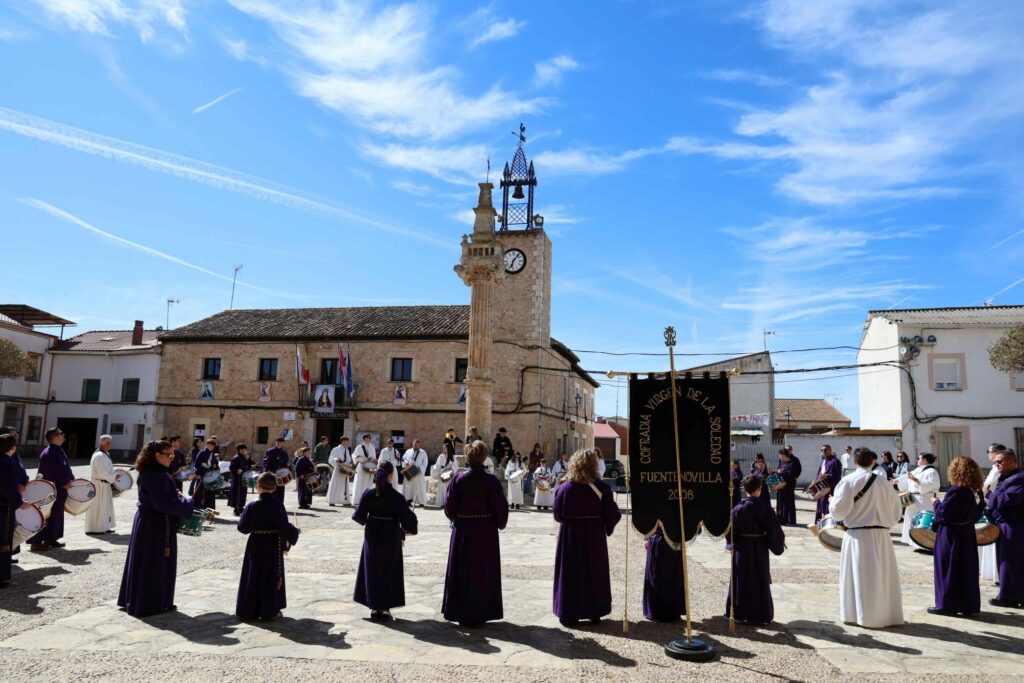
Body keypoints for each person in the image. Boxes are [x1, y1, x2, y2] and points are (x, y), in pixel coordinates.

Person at [118, 440, 195, 616]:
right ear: (156, 456)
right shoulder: (157, 475)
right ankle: (150, 603)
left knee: (147, 562)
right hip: (155, 524)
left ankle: (147, 599)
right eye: (168, 455)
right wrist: (187, 503)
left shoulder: (154, 472)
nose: (171, 458)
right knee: (153, 563)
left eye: (173, 455)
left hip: (150, 521)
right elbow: (163, 503)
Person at [830, 448, 903, 628]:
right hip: (882, 536)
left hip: (858, 535)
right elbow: (896, 513)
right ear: (873, 461)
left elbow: (838, 513)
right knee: (882, 576)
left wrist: (832, 502)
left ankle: (859, 615)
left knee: (860, 577)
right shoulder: (885, 483)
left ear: (854, 462)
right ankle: (886, 616)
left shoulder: (847, 481)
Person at [442, 440, 509, 627]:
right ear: (484, 457)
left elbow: (449, 509)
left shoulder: (458, 479)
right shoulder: (491, 481)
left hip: (463, 530)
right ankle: (483, 611)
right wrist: (499, 523)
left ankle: (460, 610)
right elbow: (500, 510)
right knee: (483, 570)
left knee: (462, 570)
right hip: (485, 532)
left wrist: (458, 517)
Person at [552, 449, 621, 627]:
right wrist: (606, 525)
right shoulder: (602, 488)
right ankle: (594, 612)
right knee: (593, 572)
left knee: (571, 573)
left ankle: (570, 613)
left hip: (570, 536)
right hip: (594, 536)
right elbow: (613, 513)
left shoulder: (565, 487)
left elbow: (558, 515)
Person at [352, 462, 419, 621]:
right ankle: (384, 607)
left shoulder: (368, 493)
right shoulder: (397, 497)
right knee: (388, 569)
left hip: (373, 534)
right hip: (390, 535)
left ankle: (374, 606)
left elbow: (359, 517)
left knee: (372, 568)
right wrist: (412, 520)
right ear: (391, 475)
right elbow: (409, 522)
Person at [236, 472, 300, 621]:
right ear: (275, 488)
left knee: (253, 575)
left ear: (258, 487)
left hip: (255, 544)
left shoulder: (251, 505)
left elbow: (242, 528)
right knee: (270, 576)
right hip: (272, 545)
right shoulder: (278, 505)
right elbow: (284, 528)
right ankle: (270, 611)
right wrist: (295, 531)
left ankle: (248, 611)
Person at [929, 456, 985, 616]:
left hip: (951, 534)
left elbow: (943, 515)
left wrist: (935, 502)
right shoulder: (974, 490)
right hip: (966, 533)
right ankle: (967, 605)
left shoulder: (957, 490)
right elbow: (977, 513)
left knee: (947, 568)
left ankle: (946, 604)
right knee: (965, 569)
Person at [727, 475, 786, 625]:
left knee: (741, 578)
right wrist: (777, 543)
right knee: (760, 578)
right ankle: (760, 615)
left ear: (744, 489)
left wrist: (731, 543)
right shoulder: (766, 508)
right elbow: (773, 530)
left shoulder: (738, 509)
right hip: (759, 546)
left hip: (742, 547)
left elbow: (731, 532)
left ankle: (739, 614)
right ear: (760, 489)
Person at [987, 448, 1024, 608]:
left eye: (1000, 461)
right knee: (1007, 560)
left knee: (1011, 561)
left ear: (1012, 461)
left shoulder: (1019, 479)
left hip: (1014, 526)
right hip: (1006, 524)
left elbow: (1007, 499)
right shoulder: (1007, 478)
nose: (997, 465)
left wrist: (989, 495)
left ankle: (1010, 596)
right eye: (995, 462)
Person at [29, 428, 74, 551]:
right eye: (61, 433)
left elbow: (66, 468)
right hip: (50, 490)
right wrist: (63, 483)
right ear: (54, 437)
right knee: (45, 514)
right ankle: (36, 542)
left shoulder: (59, 450)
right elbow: (49, 473)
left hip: (60, 489)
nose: (63, 435)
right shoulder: (48, 453)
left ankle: (51, 538)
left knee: (56, 515)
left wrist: (71, 480)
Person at [642, 530, 684, 622]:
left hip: (671, 540)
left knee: (669, 576)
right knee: (664, 576)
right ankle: (665, 612)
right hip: (668, 540)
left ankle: (666, 612)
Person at [901, 453, 940, 545]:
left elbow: (931, 485)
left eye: (919, 458)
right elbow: (906, 477)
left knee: (923, 520)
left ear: (925, 460)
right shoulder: (918, 470)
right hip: (913, 498)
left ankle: (925, 542)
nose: (917, 460)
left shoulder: (932, 471)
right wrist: (897, 481)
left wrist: (916, 480)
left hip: (924, 499)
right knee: (912, 520)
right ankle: (913, 541)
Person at [980, 443, 1005, 583]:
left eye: (988, 451)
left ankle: (995, 573)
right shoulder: (995, 468)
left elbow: (987, 485)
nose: (988, 454)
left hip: (993, 504)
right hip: (993, 503)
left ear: (995, 452)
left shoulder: (996, 468)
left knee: (992, 537)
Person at [0, 433, 22, 588]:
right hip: (4, 508)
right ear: (13, 448)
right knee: (3, 541)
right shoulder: (7, 464)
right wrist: (19, 502)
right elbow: (8, 488)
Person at [85, 435, 117, 534]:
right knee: (97, 507)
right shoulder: (99, 456)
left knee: (105, 507)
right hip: (98, 485)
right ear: (104, 443)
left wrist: (114, 474)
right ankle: (95, 528)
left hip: (103, 485)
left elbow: (107, 470)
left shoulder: (105, 454)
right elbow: (102, 473)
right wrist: (114, 476)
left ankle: (104, 526)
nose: (110, 444)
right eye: (109, 442)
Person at [813, 445, 842, 523]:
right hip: (821, 487)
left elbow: (837, 476)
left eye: (825, 450)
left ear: (830, 450)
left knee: (827, 507)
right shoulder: (823, 461)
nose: (823, 452)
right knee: (820, 507)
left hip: (830, 489)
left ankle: (828, 525)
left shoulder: (835, 461)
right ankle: (819, 524)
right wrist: (815, 481)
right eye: (822, 450)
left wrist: (826, 476)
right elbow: (819, 473)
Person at [191, 438, 220, 511]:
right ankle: (199, 509)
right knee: (200, 493)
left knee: (210, 494)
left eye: (212, 446)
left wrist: (215, 466)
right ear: (207, 445)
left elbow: (216, 466)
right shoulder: (202, 453)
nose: (211, 447)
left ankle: (209, 510)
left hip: (210, 478)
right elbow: (196, 464)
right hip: (202, 476)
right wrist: (198, 473)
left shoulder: (213, 455)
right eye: (209, 445)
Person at [775, 448, 801, 526]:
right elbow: (779, 470)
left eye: (781, 455)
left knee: (788, 503)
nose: (780, 456)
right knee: (781, 503)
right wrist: (777, 472)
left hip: (788, 486)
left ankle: (790, 520)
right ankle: (781, 519)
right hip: (781, 486)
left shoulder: (792, 463)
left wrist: (782, 473)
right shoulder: (782, 462)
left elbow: (791, 476)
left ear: (785, 455)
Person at [262, 437, 290, 504]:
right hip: (272, 473)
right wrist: (268, 471)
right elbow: (265, 462)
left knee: (280, 491)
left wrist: (287, 465)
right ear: (275, 442)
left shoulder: (284, 453)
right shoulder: (270, 451)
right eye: (277, 442)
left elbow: (286, 464)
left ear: (283, 443)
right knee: (272, 490)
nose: (279, 444)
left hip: (281, 475)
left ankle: (279, 505)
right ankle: (271, 505)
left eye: (280, 442)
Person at [402, 439, 429, 507]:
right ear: (413, 444)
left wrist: (419, 469)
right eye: (415, 444)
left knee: (419, 487)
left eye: (417, 445)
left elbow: (425, 463)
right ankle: (408, 500)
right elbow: (403, 458)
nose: (416, 446)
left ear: (419, 445)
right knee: (408, 486)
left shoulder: (423, 452)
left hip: (418, 472)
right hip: (409, 470)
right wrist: (406, 463)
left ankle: (421, 501)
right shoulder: (408, 451)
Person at [228, 444, 253, 516]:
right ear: (240, 450)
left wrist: (249, 460)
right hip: (238, 479)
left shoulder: (245, 457)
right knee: (237, 494)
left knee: (243, 494)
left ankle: (241, 508)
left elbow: (249, 465)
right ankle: (236, 509)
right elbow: (232, 468)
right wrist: (237, 471)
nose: (245, 451)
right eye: (244, 449)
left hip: (243, 478)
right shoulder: (236, 458)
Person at [327, 438, 352, 506]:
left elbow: (349, 459)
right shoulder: (336, 449)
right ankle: (332, 500)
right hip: (338, 469)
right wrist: (336, 459)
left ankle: (344, 500)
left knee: (344, 485)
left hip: (345, 469)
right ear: (342, 441)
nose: (347, 443)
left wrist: (349, 464)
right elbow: (331, 458)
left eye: (347, 441)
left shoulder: (347, 450)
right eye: (346, 441)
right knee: (335, 484)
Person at [352, 436, 377, 503]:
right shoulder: (359, 447)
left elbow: (374, 457)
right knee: (359, 481)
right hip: (361, 465)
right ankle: (357, 500)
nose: (368, 439)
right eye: (366, 438)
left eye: (369, 438)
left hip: (370, 466)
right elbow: (354, 455)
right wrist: (356, 457)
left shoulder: (372, 447)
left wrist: (374, 460)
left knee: (369, 481)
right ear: (364, 439)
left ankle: (367, 499)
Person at [433, 443, 455, 508]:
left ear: (448, 448)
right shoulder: (441, 456)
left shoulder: (453, 457)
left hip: (449, 476)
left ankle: (448, 503)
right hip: (442, 475)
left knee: (448, 489)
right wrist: (439, 471)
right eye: (443, 447)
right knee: (441, 489)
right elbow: (437, 465)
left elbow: (455, 467)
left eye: (445, 447)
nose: (444, 449)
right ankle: (442, 503)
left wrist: (450, 468)